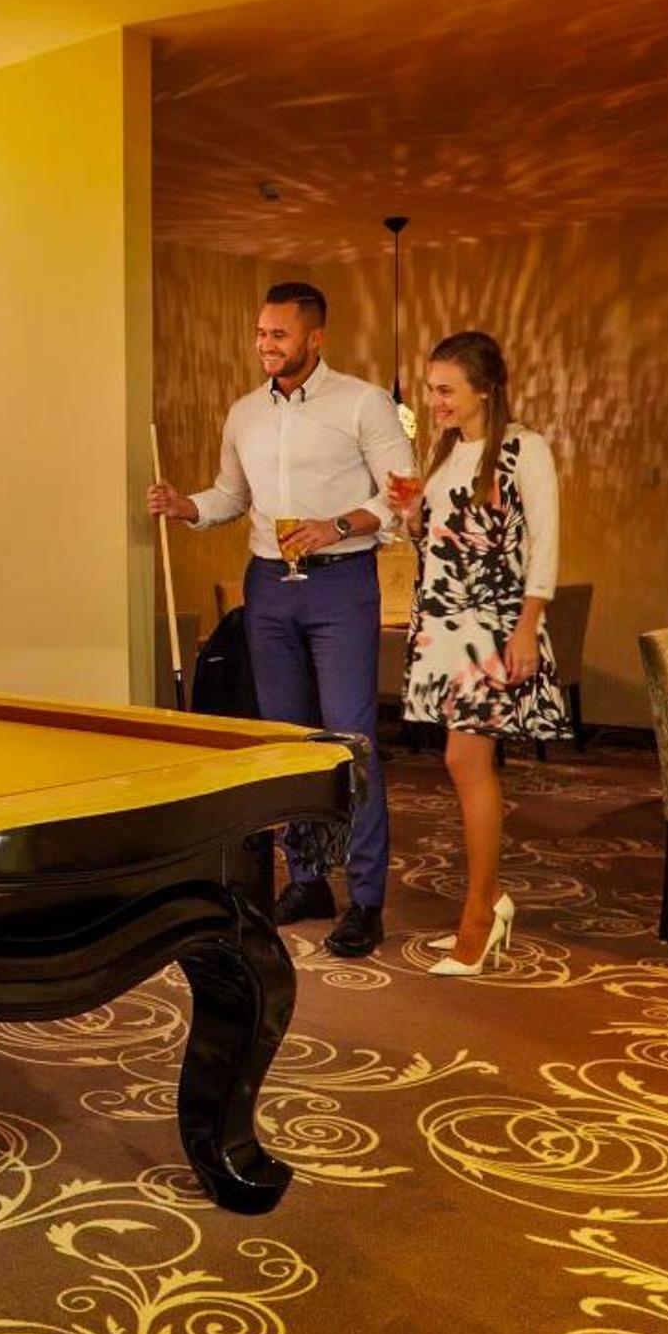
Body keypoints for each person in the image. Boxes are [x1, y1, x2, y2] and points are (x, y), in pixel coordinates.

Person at [146, 281, 415, 955]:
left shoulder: (363, 402)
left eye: (279, 334)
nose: (265, 344)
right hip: (268, 584)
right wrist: (186, 506)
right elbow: (231, 495)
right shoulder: (243, 413)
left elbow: (403, 494)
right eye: (261, 333)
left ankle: (367, 899)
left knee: (350, 741)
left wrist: (338, 525)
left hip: (340, 584)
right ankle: (306, 878)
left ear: (314, 338)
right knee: (287, 740)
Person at [389, 330, 569, 976]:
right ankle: (488, 899)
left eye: (446, 390)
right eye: (431, 389)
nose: (434, 401)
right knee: (464, 762)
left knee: (465, 759)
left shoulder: (524, 449)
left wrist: (528, 626)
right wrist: (412, 515)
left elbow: (544, 544)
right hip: (443, 624)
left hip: (493, 623)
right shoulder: (444, 453)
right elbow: (438, 544)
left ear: (484, 390)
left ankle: (479, 912)